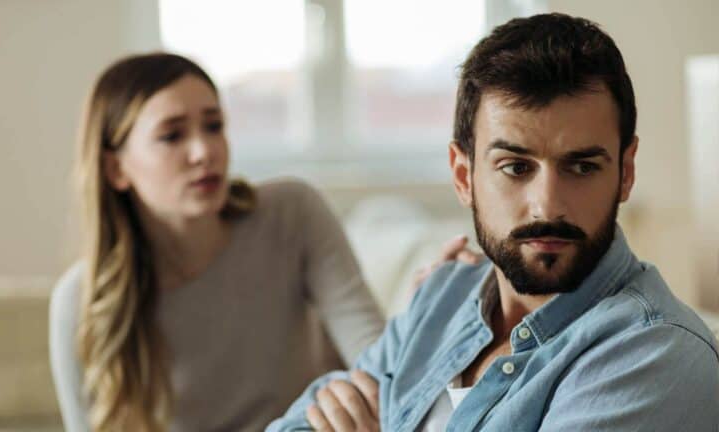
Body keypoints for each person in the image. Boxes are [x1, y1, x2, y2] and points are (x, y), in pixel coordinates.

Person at [268, 13, 719, 432]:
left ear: (626, 172)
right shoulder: (442, 296)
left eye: (581, 168)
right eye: (516, 168)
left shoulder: (654, 355)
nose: (546, 206)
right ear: (464, 176)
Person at [48, 53, 480, 431]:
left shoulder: (291, 213)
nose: (204, 150)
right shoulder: (80, 300)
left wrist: (425, 310)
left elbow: (377, 366)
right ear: (115, 169)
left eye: (214, 125)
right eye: (172, 135)